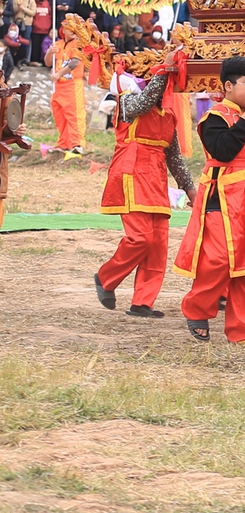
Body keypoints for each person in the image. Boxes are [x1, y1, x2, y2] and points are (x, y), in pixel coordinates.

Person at [175, 56, 245, 345]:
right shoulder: (214, 117)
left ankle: (244, 329)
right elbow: (222, 151)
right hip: (220, 199)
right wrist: (244, 122)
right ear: (228, 85)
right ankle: (196, 307)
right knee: (219, 259)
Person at [93, 61, 196, 318]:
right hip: (131, 172)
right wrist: (164, 70)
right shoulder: (127, 103)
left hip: (156, 178)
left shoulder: (168, 115)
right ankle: (105, 278)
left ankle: (143, 302)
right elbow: (145, 102)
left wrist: (190, 189)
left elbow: (174, 157)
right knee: (141, 238)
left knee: (158, 243)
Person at [49, 22, 91, 157]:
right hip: (59, 86)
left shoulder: (79, 44)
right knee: (60, 115)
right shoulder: (58, 44)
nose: (72, 30)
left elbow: (75, 62)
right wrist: (49, 52)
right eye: (69, 28)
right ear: (63, 30)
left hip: (73, 84)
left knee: (75, 115)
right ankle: (64, 143)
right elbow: (48, 62)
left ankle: (77, 144)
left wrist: (58, 74)